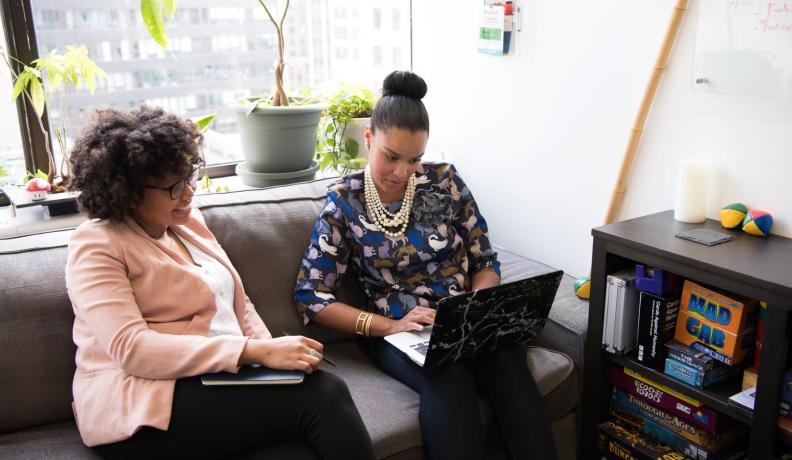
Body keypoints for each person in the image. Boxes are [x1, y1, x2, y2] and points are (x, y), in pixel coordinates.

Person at [66, 105, 376, 460]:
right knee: (324, 394)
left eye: (190, 175)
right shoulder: (97, 245)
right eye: (173, 186)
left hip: (210, 380)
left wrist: (273, 356)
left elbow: (240, 307)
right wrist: (255, 352)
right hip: (139, 403)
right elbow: (131, 348)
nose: (188, 192)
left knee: (298, 447)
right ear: (129, 191)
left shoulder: (187, 222)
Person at [294, 71, 558, 460]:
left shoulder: (446, 182)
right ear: (369, 139)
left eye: (414, 159)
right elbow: (311, 296)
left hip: (462, 318)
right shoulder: (343, 204)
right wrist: (391, 325)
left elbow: (484, 258)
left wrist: (478, 308)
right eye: (391, 157)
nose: (402, 172)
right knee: (448, 373)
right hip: (397, 331)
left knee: (505, 356)